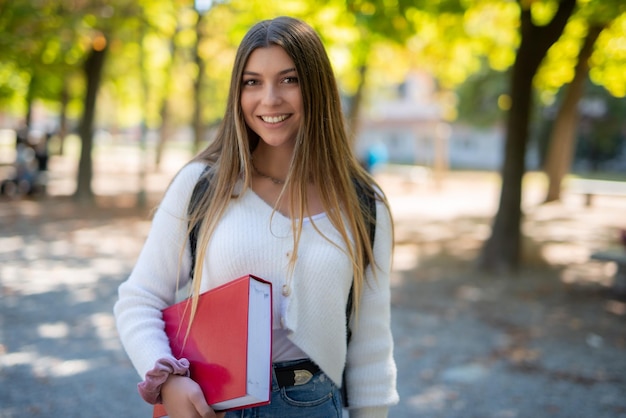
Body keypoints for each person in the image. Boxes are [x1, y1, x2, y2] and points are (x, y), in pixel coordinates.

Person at [114, 16, 398, 418]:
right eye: (252, 82)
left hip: (315, 407)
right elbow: (138, 299)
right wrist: (168, 380)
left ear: (316, 87)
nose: (269, 99)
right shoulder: (201, 186)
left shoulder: (364, 204)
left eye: (289, 79)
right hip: (213, 405)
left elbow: (371, 347)